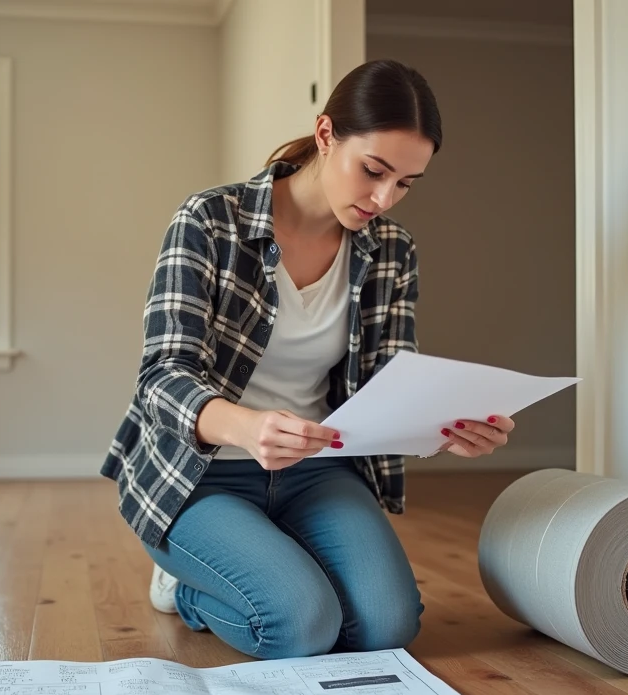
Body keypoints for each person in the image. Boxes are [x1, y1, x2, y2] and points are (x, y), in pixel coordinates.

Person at [100, 59, 515, 660]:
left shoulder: (393, 250)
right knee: (300, 626)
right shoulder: (211, 222)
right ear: (326, 135)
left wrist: (449, 428)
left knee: (386, 628)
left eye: (404, 183)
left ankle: (274, 555)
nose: (383, 197)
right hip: (199, 471)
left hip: (318, 470)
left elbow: (389, 385)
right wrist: (248, 427)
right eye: (373, 170)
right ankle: (185, 589)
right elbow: (162, 377)